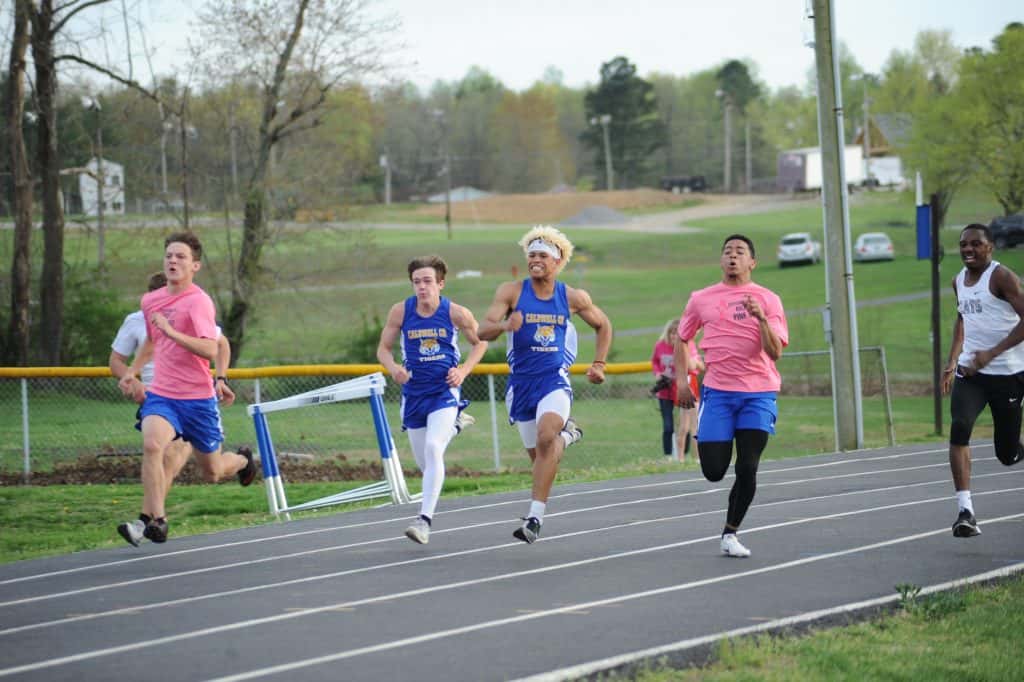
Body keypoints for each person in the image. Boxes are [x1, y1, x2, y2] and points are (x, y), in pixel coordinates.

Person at [115, 232, 256, 546]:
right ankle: (158, 520)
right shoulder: (150, 301)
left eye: (180, 256)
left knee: (213, 472)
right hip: (163, 395)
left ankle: (244, 461)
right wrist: (133, 372)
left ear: (195, 266)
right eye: (169, 256)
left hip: (198, 400)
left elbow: (210, 349)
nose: (173, 261)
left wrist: (172, 332)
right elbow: (151, 343)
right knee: (152, 446)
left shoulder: (199, 302)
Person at [478, 225, 612, 543]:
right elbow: (482, 330)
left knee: (545, 437)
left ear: (557, 260)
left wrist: (599, 364)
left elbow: (603, 324)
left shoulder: (573, 297)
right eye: (532, 255)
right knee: (542, 455)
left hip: (553, 381)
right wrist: (504, 326)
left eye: (542, 255)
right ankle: (568, 436)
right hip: (521, 385)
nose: (535, 260)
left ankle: (535, 518)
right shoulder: (511, 292)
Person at [677, 234, 788, 558]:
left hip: (759, 393)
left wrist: (761, 318)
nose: (733, 256)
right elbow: (682, 338)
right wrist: (682, 381)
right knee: (713, 470)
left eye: (740, 252)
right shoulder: (701, 299)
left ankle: (730, 533)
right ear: (721, 260)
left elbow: (775, 352)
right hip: (719, 393)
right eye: (727, 251)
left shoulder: (769, 299)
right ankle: (714, 442)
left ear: (752, 262)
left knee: (748, 466)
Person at [377, 256, 488, 545]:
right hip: (414, 394)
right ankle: (456, 425)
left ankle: (423, 520)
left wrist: (463, 371)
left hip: (444, 391)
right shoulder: (401, 311)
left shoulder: (456, 313)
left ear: (441, 284)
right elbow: (383, 349)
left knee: (433, 447)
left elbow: (481, 342)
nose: (422, 287)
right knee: (426, 464)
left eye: (427, 281)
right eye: (417, 282)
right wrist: (394, 369)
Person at [941, 223, 1024, 538]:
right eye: (964, 244)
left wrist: (992, 353)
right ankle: (965, 512)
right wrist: (952, 361)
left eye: (975, 244)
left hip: (1009, 375)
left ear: (990, 247)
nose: (968, 249)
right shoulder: (958, 281)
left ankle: (1015, 449)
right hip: (971, 374)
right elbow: (962, 318)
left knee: (1007, 454)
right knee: (960, 427)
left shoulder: (1002, 277)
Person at [651, 320, 704, 461]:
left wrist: (688, 355)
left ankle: (694, 457)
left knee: (693, 426)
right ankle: (675, 457)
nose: (674, 336)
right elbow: (655, 361)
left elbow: (694, 366)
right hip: (670, 389)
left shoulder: (688, 345)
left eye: (677, 333)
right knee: (677, 426)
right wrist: (658, 374)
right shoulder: (661, 345)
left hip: (688, 386)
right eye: (672, 333)